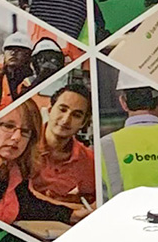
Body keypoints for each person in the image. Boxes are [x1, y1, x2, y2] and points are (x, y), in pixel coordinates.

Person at [30, 84, 97, 216]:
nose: (66, 120)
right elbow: (21, 199)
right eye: (62, 109)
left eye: (76, 115)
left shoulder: (90, 161)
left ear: (83, 123)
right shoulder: (23, 145)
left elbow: (94, 207)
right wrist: (71, 208)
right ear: (49, 110)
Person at [0, 33, 32, 109]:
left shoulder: (32, 81)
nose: (13, 53)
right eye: (9, 49)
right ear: (4, 54)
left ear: (28, 55)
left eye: (19, 50)